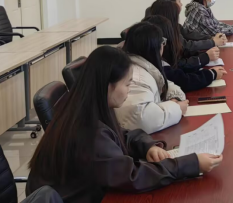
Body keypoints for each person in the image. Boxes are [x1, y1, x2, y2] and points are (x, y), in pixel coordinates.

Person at [26, 46, 222, 203]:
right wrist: (191, 164)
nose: (129, 90)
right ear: (108, 85)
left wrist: (147, 146)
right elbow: (134, 177)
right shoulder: (88, 131)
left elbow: (121, 134)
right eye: (127, 84)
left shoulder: (84, 106)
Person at [115, 22, 190, 134]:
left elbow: (166, 85)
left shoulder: (143, 66)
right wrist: (176, 108)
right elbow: (140, 118)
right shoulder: (137, 76)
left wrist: (175, 99)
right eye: (162, 42)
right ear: (154, 47)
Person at [144, 15, 227, 92]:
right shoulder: (158, 63)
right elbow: (184, 81)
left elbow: (180, 67)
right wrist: (212, 73)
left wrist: (204, 57)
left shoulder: (151, 57)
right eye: (163, 42)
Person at [150, 0, 224, 69]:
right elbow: (178, 65)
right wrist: (205, 57)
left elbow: (184, 49)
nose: (181, 4)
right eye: (179, 0)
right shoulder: (163, 40)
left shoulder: (171, 29)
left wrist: (203, 54)